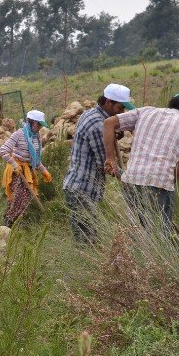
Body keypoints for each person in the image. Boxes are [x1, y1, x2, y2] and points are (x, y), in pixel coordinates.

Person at [103, 92, 179, 235]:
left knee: (135, 232)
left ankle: (133, 255)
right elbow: (178, 168)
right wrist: (168, 192)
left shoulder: (146, 111)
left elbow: (109, 123)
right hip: (159, 184)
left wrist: (110, 158)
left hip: (132, 180)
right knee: (159, 235)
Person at [62, 84, 135, 244]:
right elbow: (107, 164)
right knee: (86, 241)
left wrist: (115, 132)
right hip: (82, 190)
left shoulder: (93, 115)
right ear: (108, 103)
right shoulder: (97, 125)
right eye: (120, 108)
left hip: (81, 188)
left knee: (88, 237)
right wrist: (129, 182)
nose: (122, 113)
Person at [0, 110, 52, 226]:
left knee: (24, 201)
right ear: (32, 122)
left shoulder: (37, 137)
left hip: (28, 171)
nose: (40, 128)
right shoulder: (19, 134)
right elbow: (3, 151)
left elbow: (35, 160)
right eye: (39, 125)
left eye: (41, 125)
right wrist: (14, 164)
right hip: (16, 172)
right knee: (17, 199)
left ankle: (11, 224)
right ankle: (7, 224)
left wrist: (44, 171)